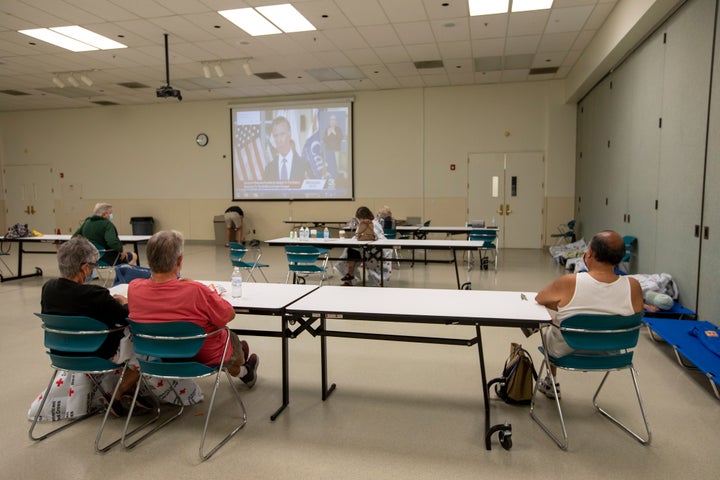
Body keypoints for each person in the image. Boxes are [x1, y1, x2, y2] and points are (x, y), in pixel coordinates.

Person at [128, 230, 259, 387]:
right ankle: (245, 369)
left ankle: (243, 365)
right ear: (179, 260)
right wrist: (206, 291)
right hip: (204, 356)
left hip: (157, 354)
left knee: (230, 342)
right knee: (232, 339)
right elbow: (228, 315)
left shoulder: (134, 287)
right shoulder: (195, 290)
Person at [534, 230, 644, 399]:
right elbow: (634, 315)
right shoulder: (633, 286)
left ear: (590, 253)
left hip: (565, 351)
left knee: (556, 322)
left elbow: (540, 298)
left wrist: (564, 308)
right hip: (612, 352)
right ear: (620, 257)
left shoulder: (571, 281)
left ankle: (551, 381)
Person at [40, 236, 141, 416]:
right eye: (93, 266)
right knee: (142, 343)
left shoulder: (48, 289)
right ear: (85, 268)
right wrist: (124, 302)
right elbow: (127, 317)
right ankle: (119, 392)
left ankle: (131, 391)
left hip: (61, 352)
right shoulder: (95, 294)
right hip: (95, 353)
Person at [336, 206, 392, 286]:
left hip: (377, 249)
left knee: (351, 251)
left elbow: (374, 236)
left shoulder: (373, 223)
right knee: (350, 250)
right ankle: (350, 275)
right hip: (366, 248)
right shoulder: (363, 223)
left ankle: (350, 275)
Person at [263, 116, 315, 181]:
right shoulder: (269, 169)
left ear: (289, 134)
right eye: (276, 136)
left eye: (282, 134)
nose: (279, 140)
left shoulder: (304, 166)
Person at [323, 114, 343, 178]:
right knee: (330, 167)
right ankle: (331, 180)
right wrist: (328, 134)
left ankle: (337, 179)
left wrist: (334, 132)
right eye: (331, 119)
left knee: (336, 167)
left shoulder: (338, 129)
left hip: (336, 151)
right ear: (329, 121)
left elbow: (340, 138)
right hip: (328, 151)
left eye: (334, 119)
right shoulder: (327, 129)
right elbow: (324, 140)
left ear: (336, 121)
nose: (332, 121)